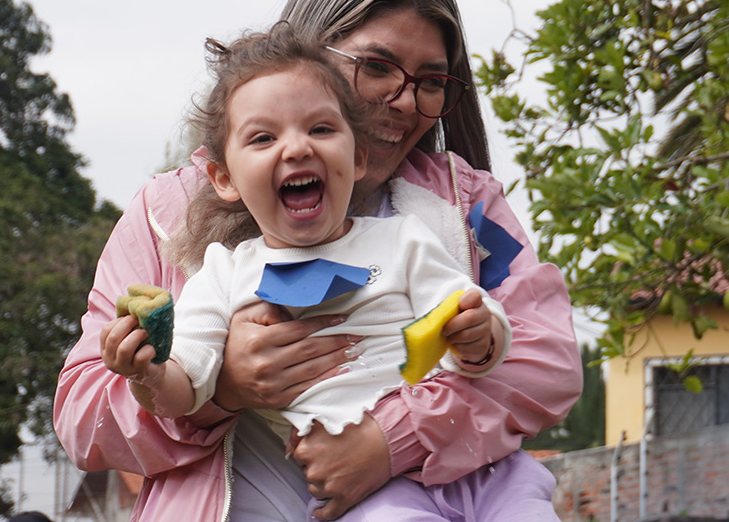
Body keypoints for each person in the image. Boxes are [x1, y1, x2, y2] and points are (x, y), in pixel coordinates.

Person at [54, 0, 582, 522]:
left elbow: (546, 358)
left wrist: (391, 439)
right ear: (308, 51)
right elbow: (81, 416)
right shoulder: (167, 211)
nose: (405, 101)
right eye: (376, 67)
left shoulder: (465, 206)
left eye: (431, 82)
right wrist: (217, 390)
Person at [117, 28, 549, 521]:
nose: (297, 148)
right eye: (264, 138)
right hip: (378, 495)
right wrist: (146, 373)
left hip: (482, 468)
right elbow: (185, 385)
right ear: (224, 179)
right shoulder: (224, 274)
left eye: (321, 130)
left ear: (358, 156)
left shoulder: (405, 238)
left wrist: (480, 337)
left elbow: (465, 317)